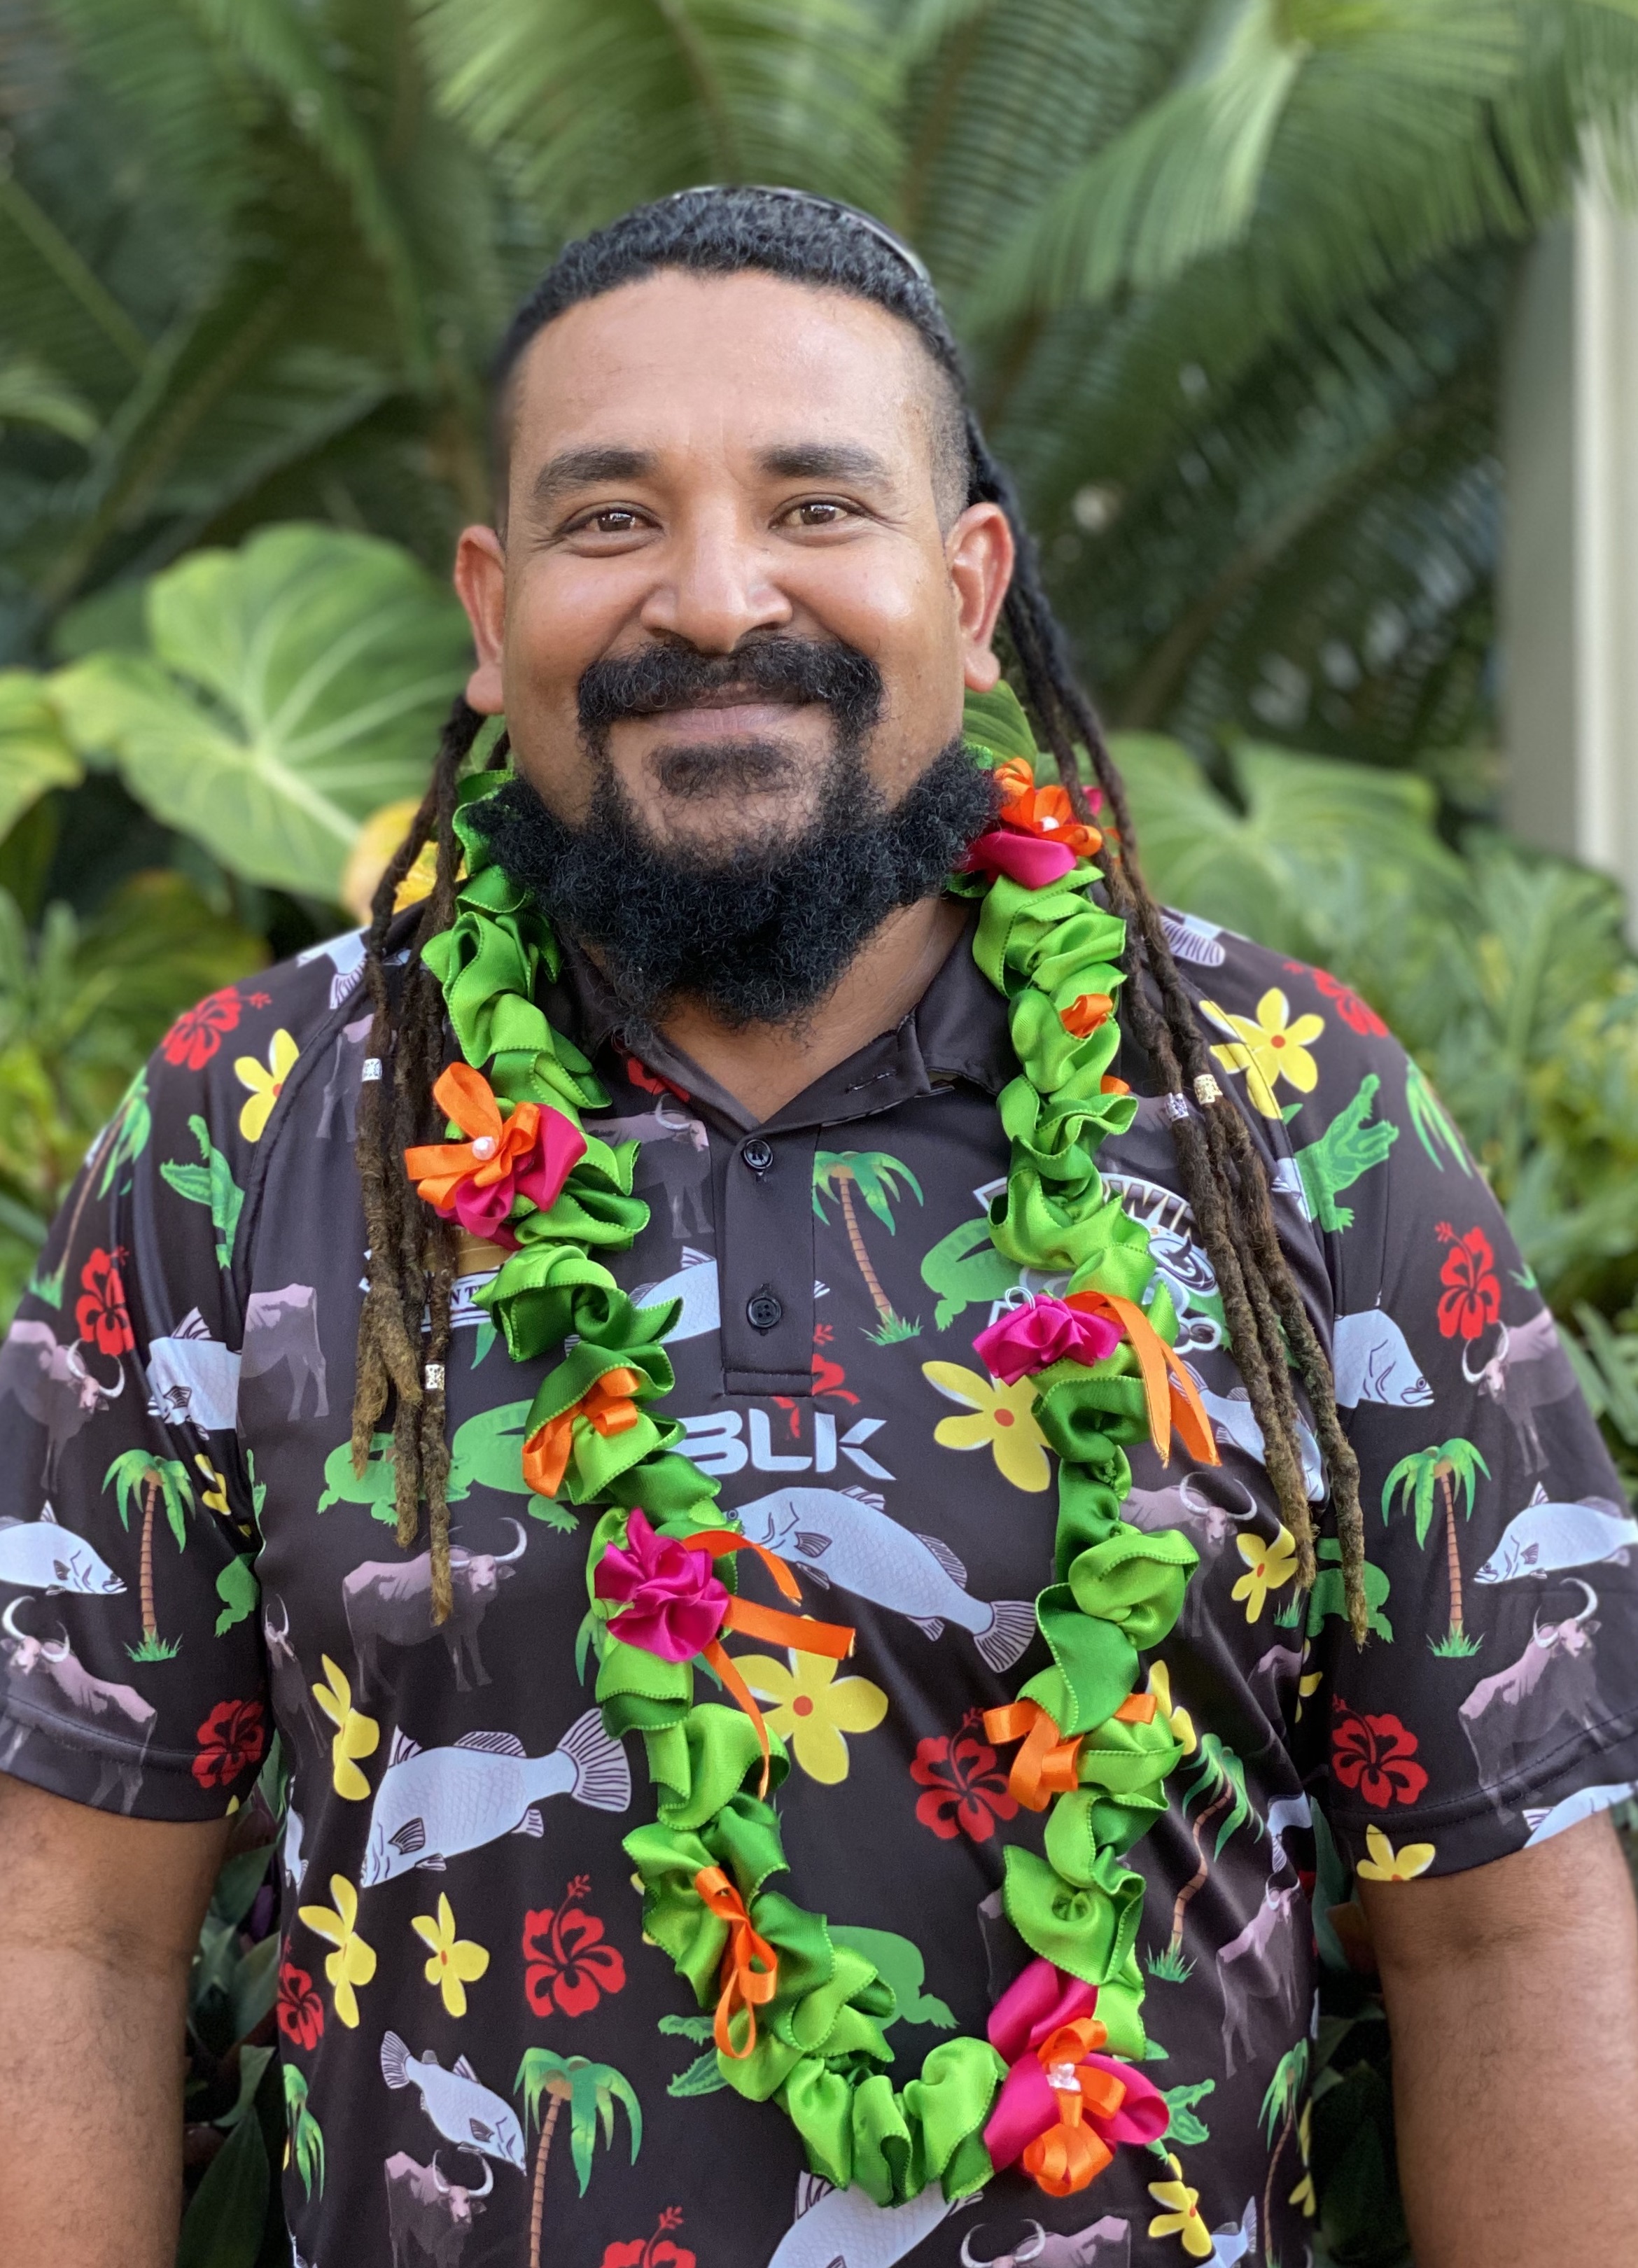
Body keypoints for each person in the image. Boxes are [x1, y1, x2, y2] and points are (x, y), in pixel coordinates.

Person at [1, 187, 1635, 2268]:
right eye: (609, 520)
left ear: (966, 588)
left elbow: (1501, 1939)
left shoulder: (1286, 1109)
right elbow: (70, 1929)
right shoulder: (246, 1130)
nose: (709, 594)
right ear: (489, 617)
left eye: (813, 503)